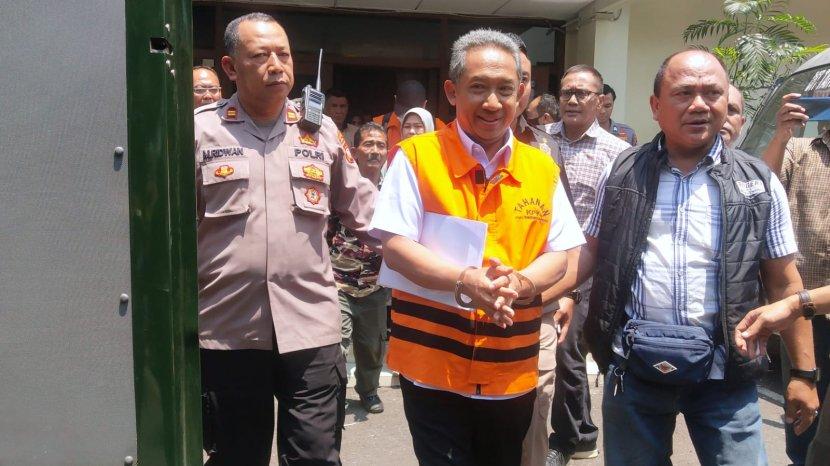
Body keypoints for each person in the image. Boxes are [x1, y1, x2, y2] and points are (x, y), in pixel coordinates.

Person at [573, 49, 818, 466]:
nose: (700, 105)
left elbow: (784, 282)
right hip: (634, 372)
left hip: (727, 376)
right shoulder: (622, 172)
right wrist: (537, 288)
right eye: (684, 93)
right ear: (656, 106)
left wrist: (803, 374)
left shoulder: (758, 183)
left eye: (712, 93)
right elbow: (588, 254)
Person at [370, 28, 585, 466]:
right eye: (478, 88)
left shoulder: (541, 168)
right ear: (452, 92)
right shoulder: (415, 157)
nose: (492, 102)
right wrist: (466, 280)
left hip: (511, 366)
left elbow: (560, 255)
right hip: (431, 364)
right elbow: (395, 245)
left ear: (521, 94)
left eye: (505, 89)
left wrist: (520, 284)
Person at [194, 13, 378, 466]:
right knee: (236, 457)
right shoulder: (198, 132)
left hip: (310, 326)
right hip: (229, 330)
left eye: (284, 54)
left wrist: (437, 254)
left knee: (315, 456)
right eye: (261, 56)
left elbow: (366, 211)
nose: (277, 65)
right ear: (230, 67)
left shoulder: (321, 131)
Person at [544, 65, 630, 466]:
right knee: (553, 348)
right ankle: (575, 432)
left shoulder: (617, 154)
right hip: (543, 261)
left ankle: (570, 438)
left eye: (582, 93)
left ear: (600, 101)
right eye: (567, 93)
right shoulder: (539, 141)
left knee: (567, 348)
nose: (573, 100)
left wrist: (580, 285)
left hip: (590, 269)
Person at [503, 33, 572, 466]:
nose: (516, 87)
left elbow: (565, 235)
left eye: (524, 78)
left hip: (537, 308)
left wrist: (567, 292)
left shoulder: (546, 148)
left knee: (532, 417)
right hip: (465, 310)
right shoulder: (440, 150)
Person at [759, 93, 829, 466]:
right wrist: (780, 135)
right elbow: (761, 188)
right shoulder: (800, 150)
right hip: (803, 310)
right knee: (802, 397)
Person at [328, 122, 390, 415]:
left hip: (375, 285)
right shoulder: (341, 188)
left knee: (371, 347)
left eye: (381, 145)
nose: (375, 150)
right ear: (354, 151)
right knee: (336, 344)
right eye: (368, 144)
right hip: (338, 280)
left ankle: (368, 391)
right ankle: (335, 395)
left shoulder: (393, 192)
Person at [735, 285, 830, 466]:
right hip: (802, 313)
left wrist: (795, 304)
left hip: (800, 306)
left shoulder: (796, 304)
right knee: (805, 429)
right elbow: (782, 282)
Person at [373, 80, 444, 148]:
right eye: (403, 112)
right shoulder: (379, 124)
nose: (411, 131)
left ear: (424, 105)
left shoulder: (438, 128)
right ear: (395, 99)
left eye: (418, 126)